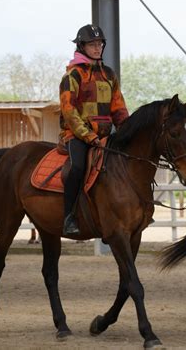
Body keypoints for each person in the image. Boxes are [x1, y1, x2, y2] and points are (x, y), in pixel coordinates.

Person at [59, 24, 129, 235]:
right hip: (78, 136)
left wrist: (127, 132)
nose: (97, 48)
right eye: (92, 44)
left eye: (100, 44)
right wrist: (88, 135)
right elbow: (69, 110)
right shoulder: (72, 75)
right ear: (82, 46)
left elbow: (119, 108)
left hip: (106, 135)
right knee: (77, 167)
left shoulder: (109, 74)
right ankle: (69, 216)